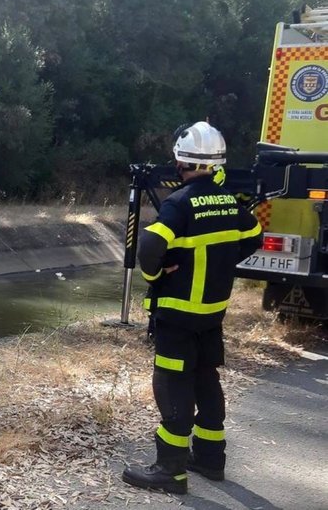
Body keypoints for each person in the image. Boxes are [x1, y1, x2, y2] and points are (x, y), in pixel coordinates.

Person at [122, 122, 262, 494]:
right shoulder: (228, 200)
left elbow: (150, 246)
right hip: (211, 314)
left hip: (177, 315)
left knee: (172, 383)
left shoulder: (179, 202)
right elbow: (254, 236)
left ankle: (171, 470)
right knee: (205, 378)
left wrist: (157, 275)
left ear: (180, 161)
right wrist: (221, 260)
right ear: (217, 163)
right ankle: (211, 459)